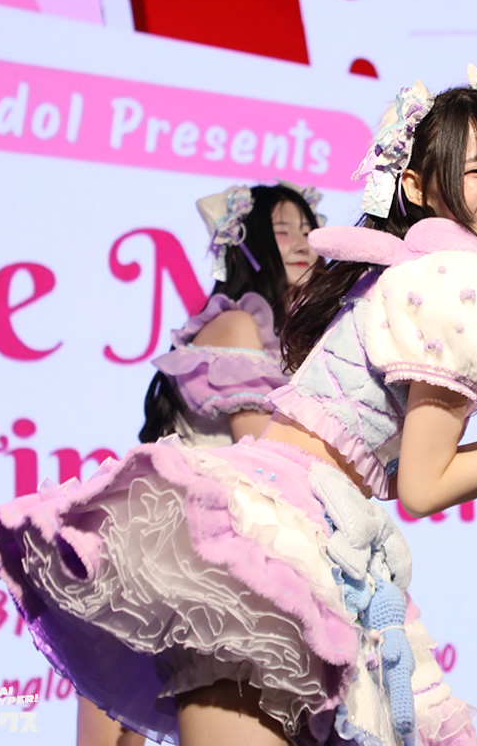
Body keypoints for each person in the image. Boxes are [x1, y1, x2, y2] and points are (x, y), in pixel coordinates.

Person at [0, 65, 477, 746]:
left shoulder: (405, 268)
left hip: (277, 525)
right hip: (289, 532)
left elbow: (412, 461)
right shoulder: (465, 279)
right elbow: (425, 486)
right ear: (417, 186)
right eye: (476, 171)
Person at [75, 182, 322, 745]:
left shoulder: (282, 338)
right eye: (282, 230)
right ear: (247, 247)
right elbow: (266, 456)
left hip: (208, 552)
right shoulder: (238, 325)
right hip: (180, 549)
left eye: (308, 229)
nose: (302, 242)